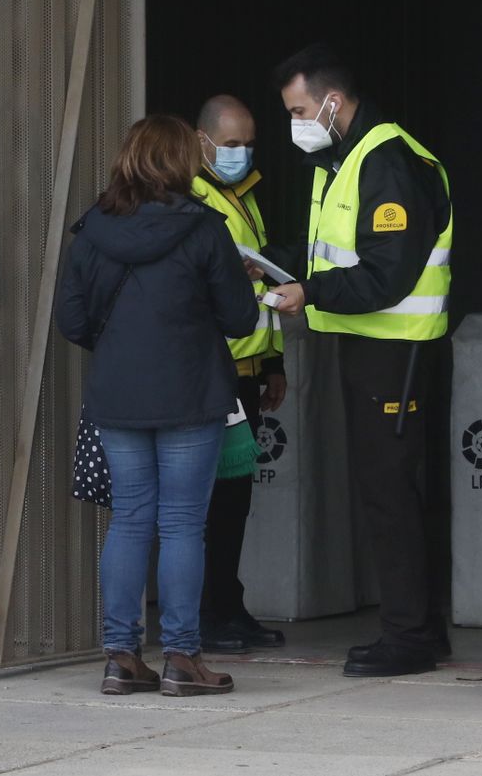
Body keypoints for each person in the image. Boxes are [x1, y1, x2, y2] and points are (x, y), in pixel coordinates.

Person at [264, 43, 453, 678]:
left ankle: (408, 638)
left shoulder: (386, 162)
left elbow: (386, 274)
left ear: (332, 101)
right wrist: (275, 263)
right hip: (371, 347)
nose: (295, 122)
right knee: (392, 488)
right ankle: (420, 630)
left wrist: (310, 293)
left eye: (298, 109)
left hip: (395, 349)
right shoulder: (344, 161)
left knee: (390, 492)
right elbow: (330, 254)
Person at [56, 114, 258, 698]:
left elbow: (72, 320)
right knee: (181, 525)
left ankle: (121, 657)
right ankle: (181, 658)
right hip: (190, 393)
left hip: (117, 393)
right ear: (182, 162)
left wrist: (121, 347)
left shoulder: (92, 228)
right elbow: (241, 319)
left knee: (131, 519)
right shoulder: (203, 228)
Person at [191, 95, 289, 654]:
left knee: (235, 500)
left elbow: (259, 286)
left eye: (248, 142)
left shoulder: (242, 195)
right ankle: (210, 616)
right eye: (230, 145)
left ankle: (230, 606)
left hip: (247, 370)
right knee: (214, 503)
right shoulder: (192, 197)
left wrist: (273, 362)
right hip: (215, 373)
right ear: (202, 142)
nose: (241, 153)